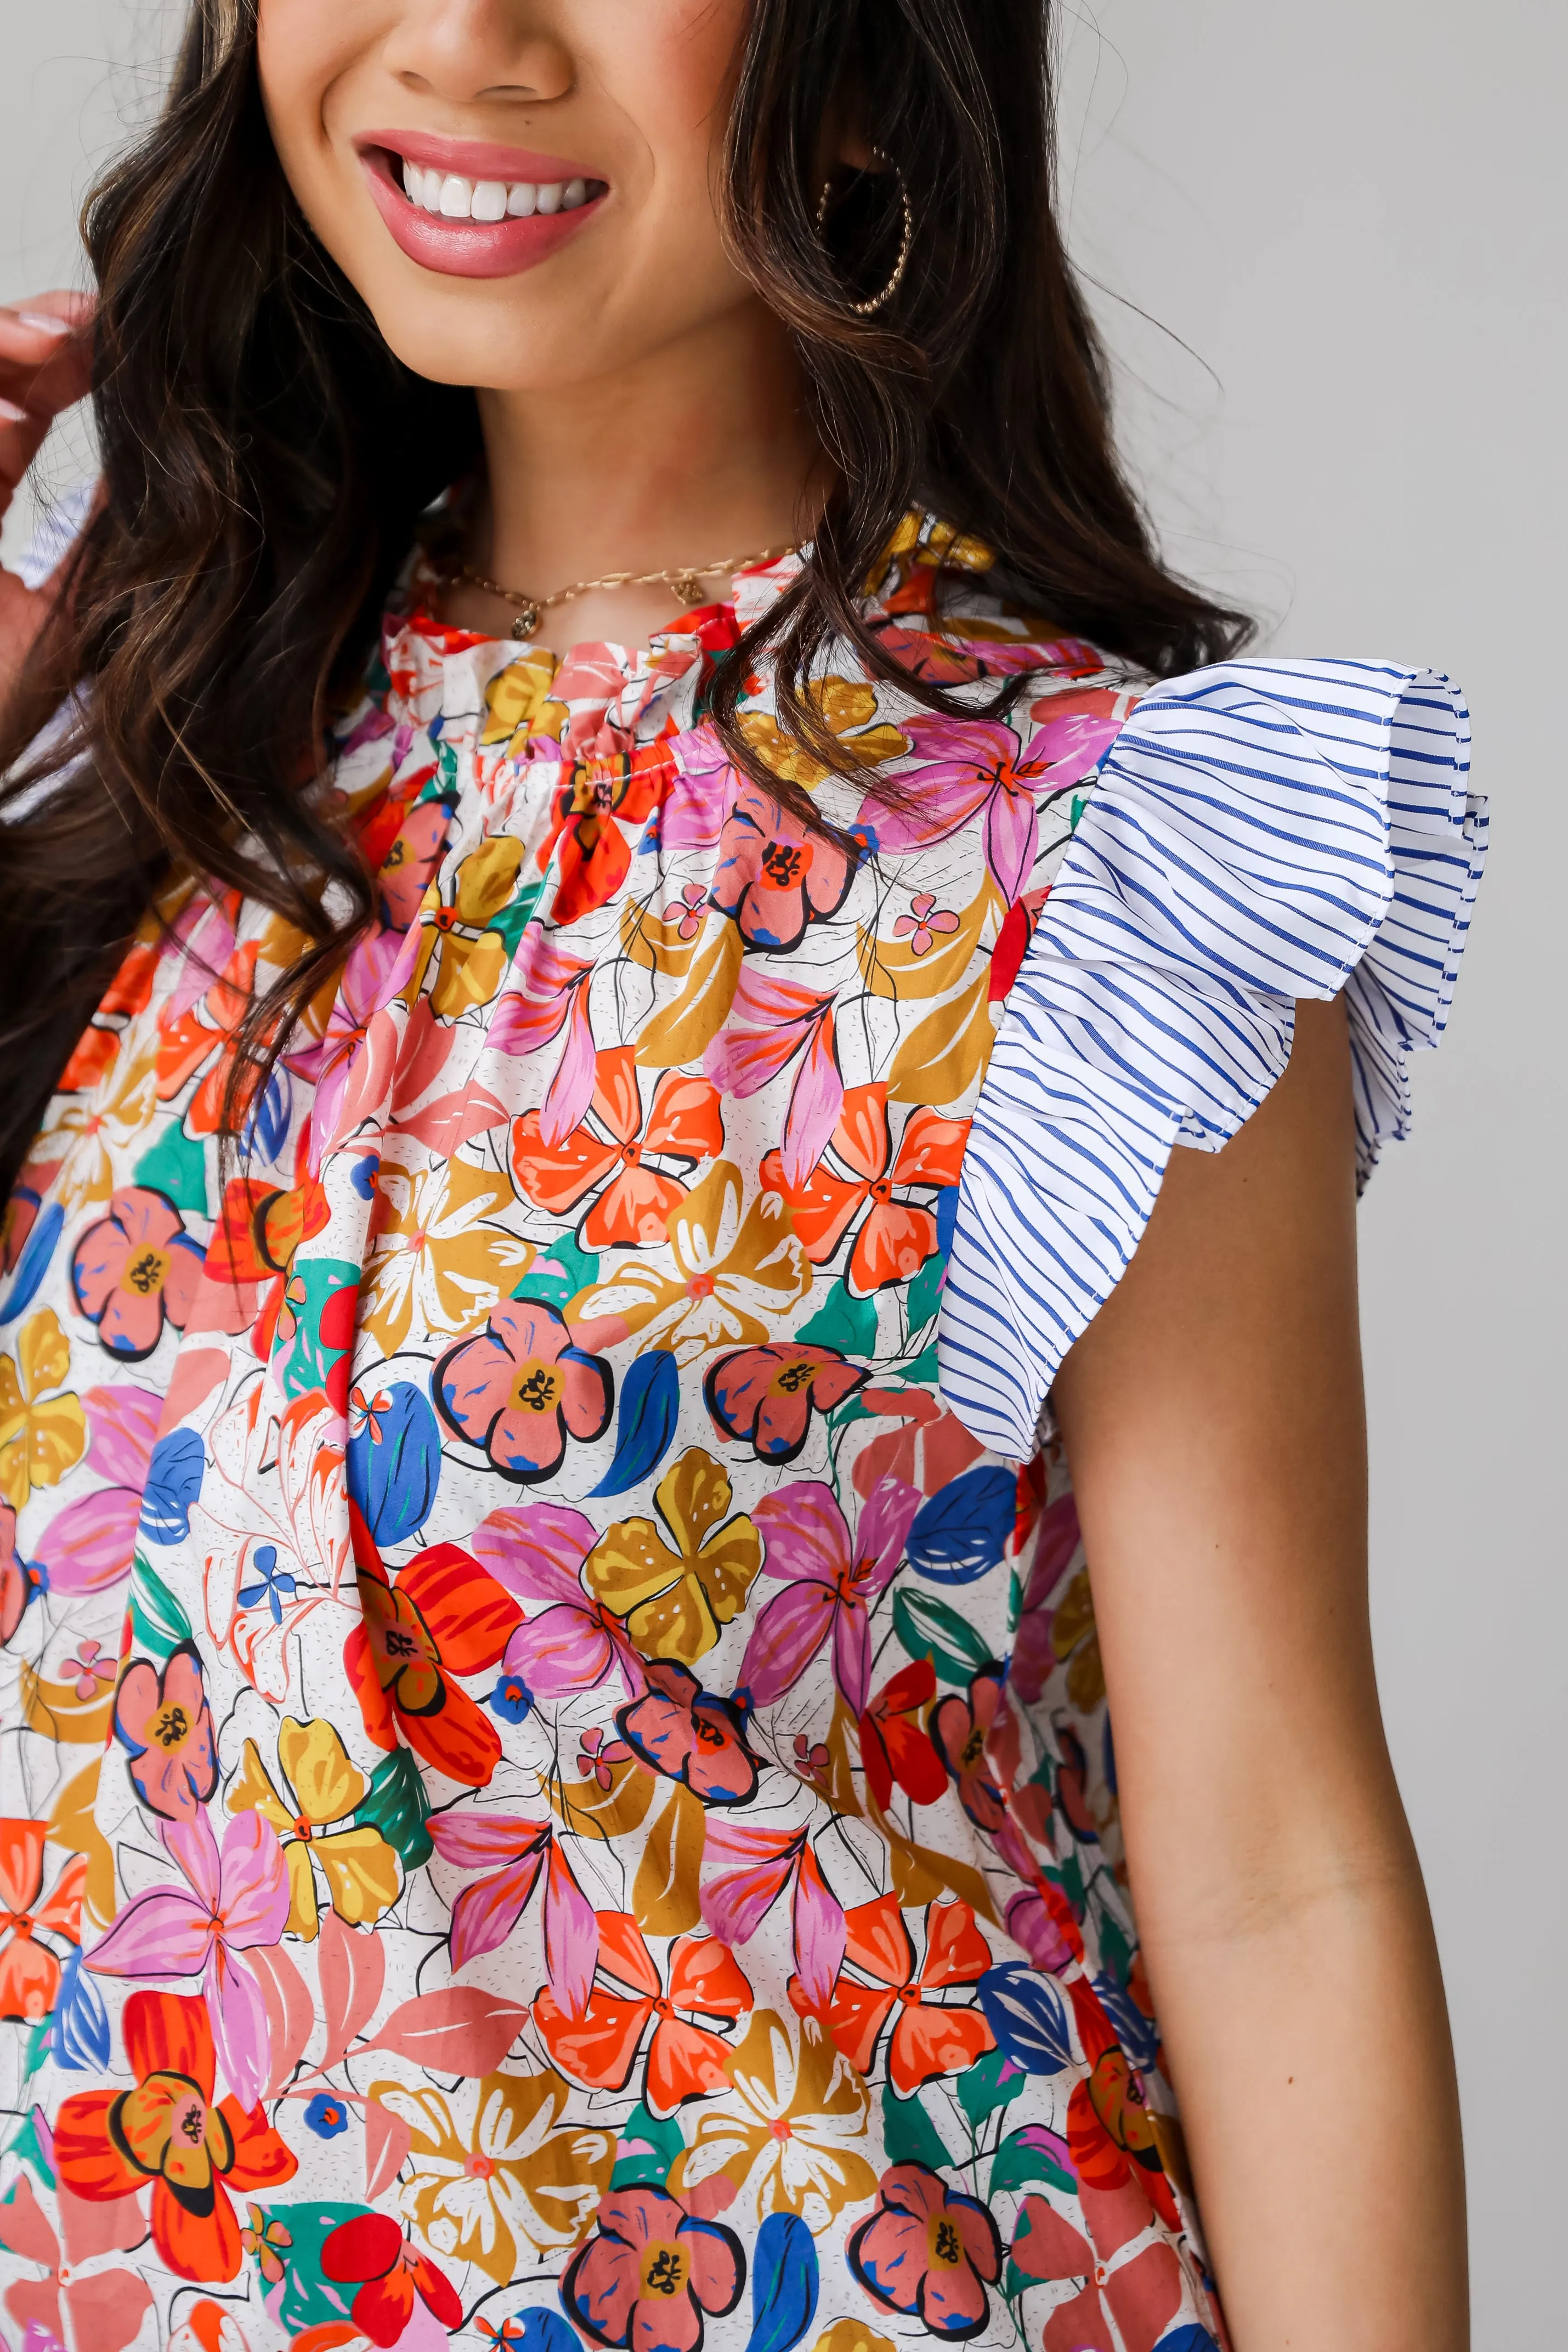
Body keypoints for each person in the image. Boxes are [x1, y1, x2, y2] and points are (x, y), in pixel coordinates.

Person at [0, 4, 1485, 2349]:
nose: (467, 33)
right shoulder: (143, 734)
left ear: (875, 57)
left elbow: (1275, 1867)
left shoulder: (1100, 861)